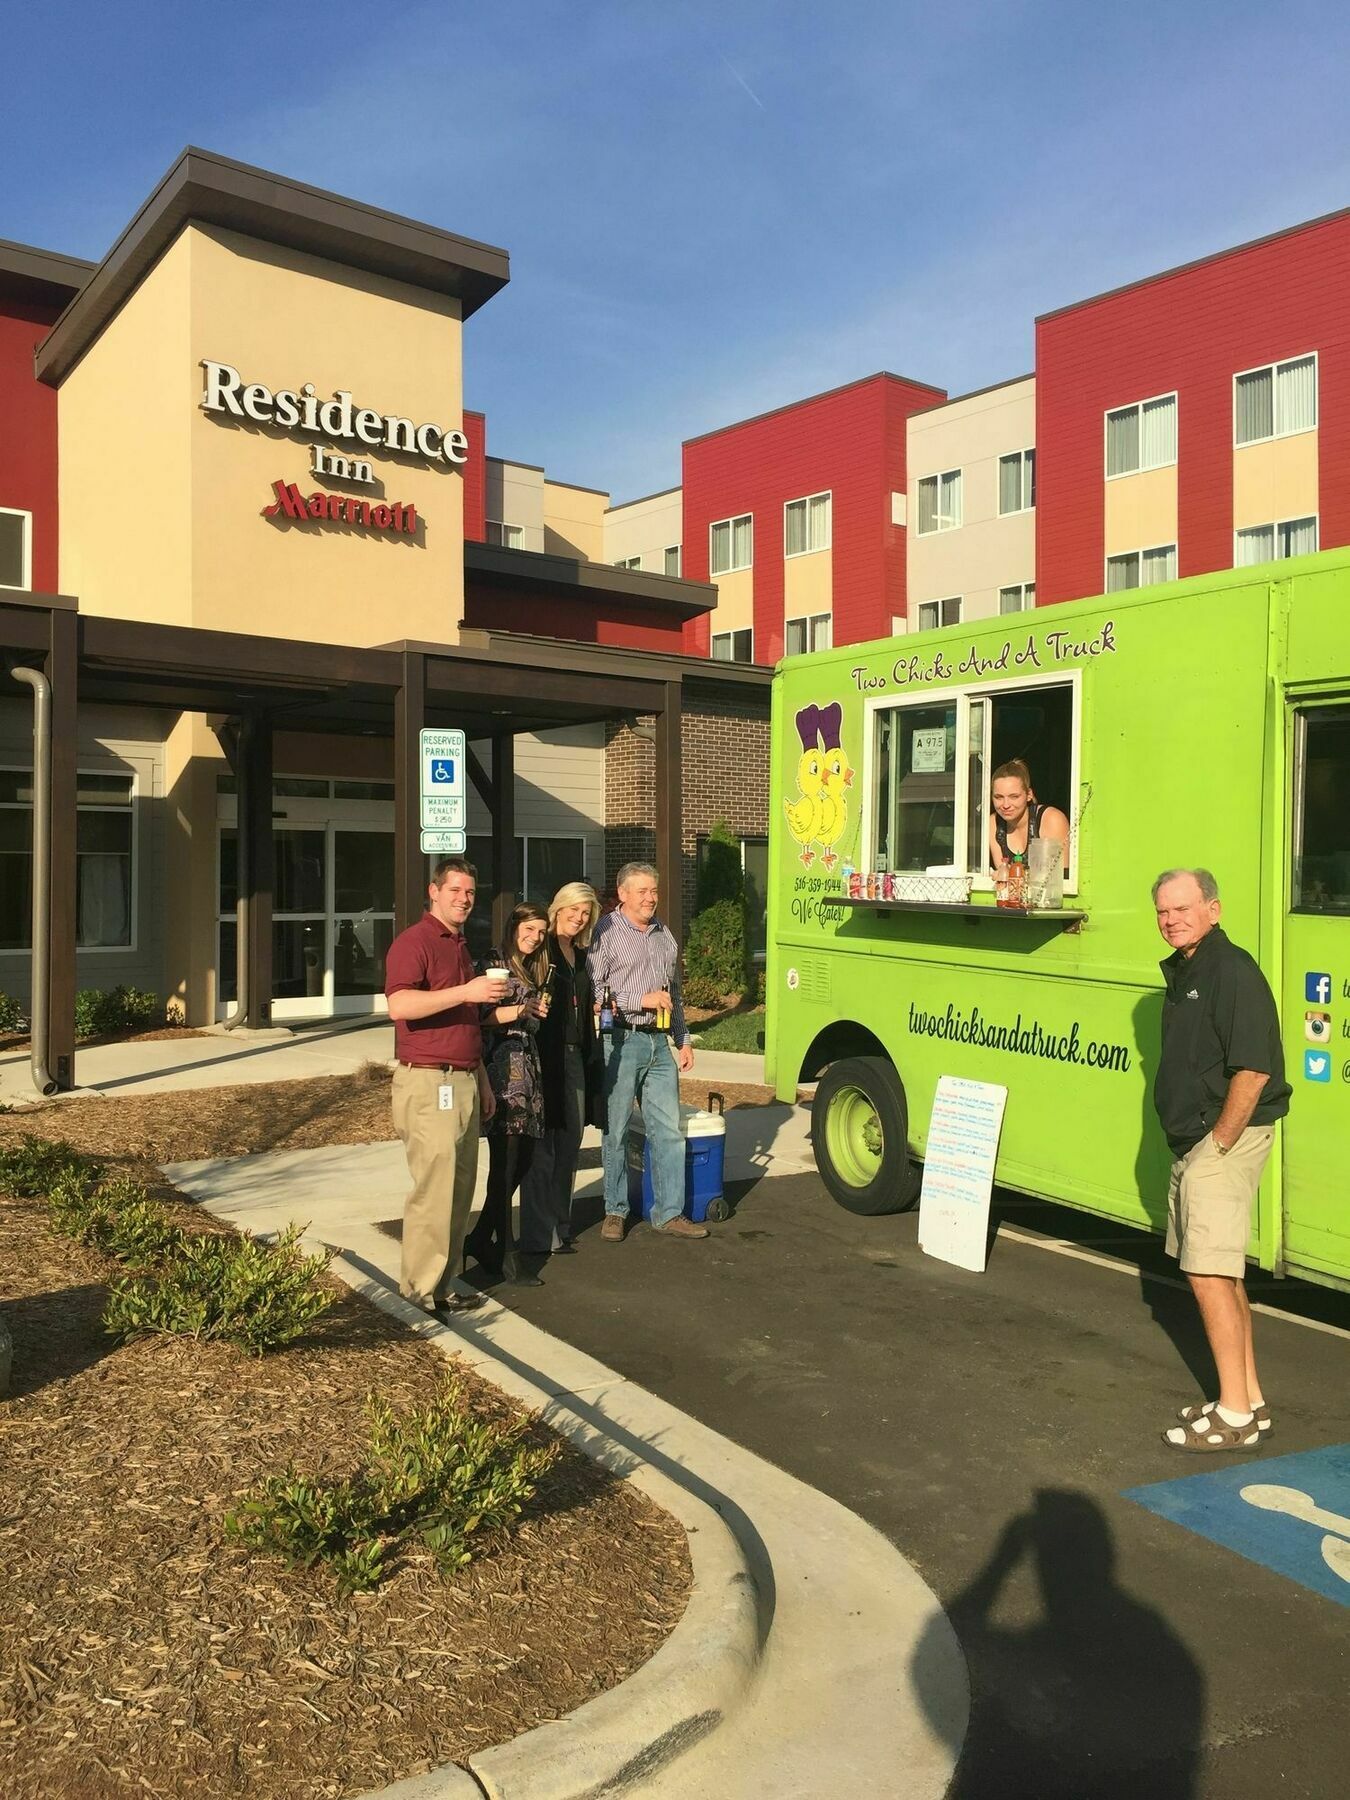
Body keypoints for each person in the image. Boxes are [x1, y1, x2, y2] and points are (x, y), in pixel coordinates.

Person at [1151, 868, 1291, 1451]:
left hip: (1222, 1142)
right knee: (1220, 1273)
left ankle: (1232, 1417)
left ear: (1214, 908)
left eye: (1183, 908)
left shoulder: (1231, 971)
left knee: (1207, 1272)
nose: (1171, 919)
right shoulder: (1189, 968)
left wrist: (1220, 1142)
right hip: (1200, 1142)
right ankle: (1248, 1400)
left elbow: (1253, 1069)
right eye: (1162, 911)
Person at [384, 857, 506, 1320]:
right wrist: (466, 993)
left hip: (463, 1081)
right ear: (433, 892)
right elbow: (399, 1004)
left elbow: (464, 1023)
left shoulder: (458, 945)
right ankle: (418, 1293)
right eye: (455, 889)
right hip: (427, 1080)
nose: (463, 898)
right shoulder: (413, 942)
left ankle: (443, 1285)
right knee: (432, 1192)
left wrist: (480, 1078)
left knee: (458, 1190)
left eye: (470, 892)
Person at [587, 861, 704, 1242]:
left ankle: (669, 1213)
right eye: (643, 891)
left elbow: (674, 995)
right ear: (622, 894)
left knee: (668, 1130)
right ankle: (615, 1211)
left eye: (654, 891)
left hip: (658, 1043)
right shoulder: (604, 932)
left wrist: (683, 1039)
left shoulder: (664, 935)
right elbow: (593, 992)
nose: (651, 898)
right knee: (616, 1130)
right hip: (619, 1041)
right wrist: (640, 998)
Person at [517, 880, 604, 1266]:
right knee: (543, 1149)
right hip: (543, 1056)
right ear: (558, 908)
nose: (579, 917)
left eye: (585, 913)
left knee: (570, 1142)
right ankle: (538, 1234)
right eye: (573, 910)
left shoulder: (581, 955)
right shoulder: (542, 948)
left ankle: (561, 1225)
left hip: (577, 1057)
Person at [464, 903, 550, 1287]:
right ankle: (507, 1251)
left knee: (523, 1160)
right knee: (506, 1160)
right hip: (500, 1067)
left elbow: (528, 1020)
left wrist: (534, 1012)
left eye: (541, 932)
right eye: (529, 929)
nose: (534, 937)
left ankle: (481, 1237)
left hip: (527, 1068)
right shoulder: (493, 961)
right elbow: (479, 1016)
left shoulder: (534, 968)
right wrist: (520, 1010)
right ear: (514, 927)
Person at [988, 758, 1070, 871]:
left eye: (1014, 797)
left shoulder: (1051, 819)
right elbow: (1003, 873)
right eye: (999, 797)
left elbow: (1060, 877)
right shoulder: (993, 823)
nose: (1005, 805)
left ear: (1029, 795)